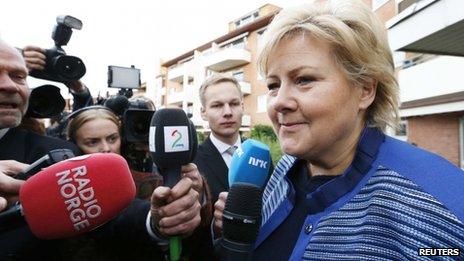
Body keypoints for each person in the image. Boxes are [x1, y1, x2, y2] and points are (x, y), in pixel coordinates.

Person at [214, 1, 464, 260]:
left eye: (304, 80)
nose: (279, 101)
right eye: (274, 85)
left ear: (365, 89)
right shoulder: (284, 169)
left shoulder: (439, 207)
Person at [0, 38, 203, 260]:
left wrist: (157, 221)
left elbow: (106, 214)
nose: (9, 85)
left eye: (18, 76)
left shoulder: (57, 154)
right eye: (92, 141)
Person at [193, 73, 245, 205]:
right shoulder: (192, 162)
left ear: (242, 107)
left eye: (234, 103)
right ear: (203, 113)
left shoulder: (261, 155)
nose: (228, 112)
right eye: (217, 105)